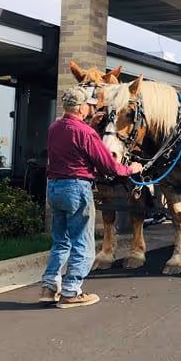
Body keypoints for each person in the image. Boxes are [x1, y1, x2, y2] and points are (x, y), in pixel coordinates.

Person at [40, 86, 143, 308]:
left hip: (54, 187)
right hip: (76, 188)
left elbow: (71, 148)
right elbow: (109, 165)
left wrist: (90, 124)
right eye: (89, 104)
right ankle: (71, 292)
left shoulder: (55, 127)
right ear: (80, 107)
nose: (92, 107)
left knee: (61, 241)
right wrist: (131, 169)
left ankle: (49, 287)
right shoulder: (86, 133)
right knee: (83, 243)